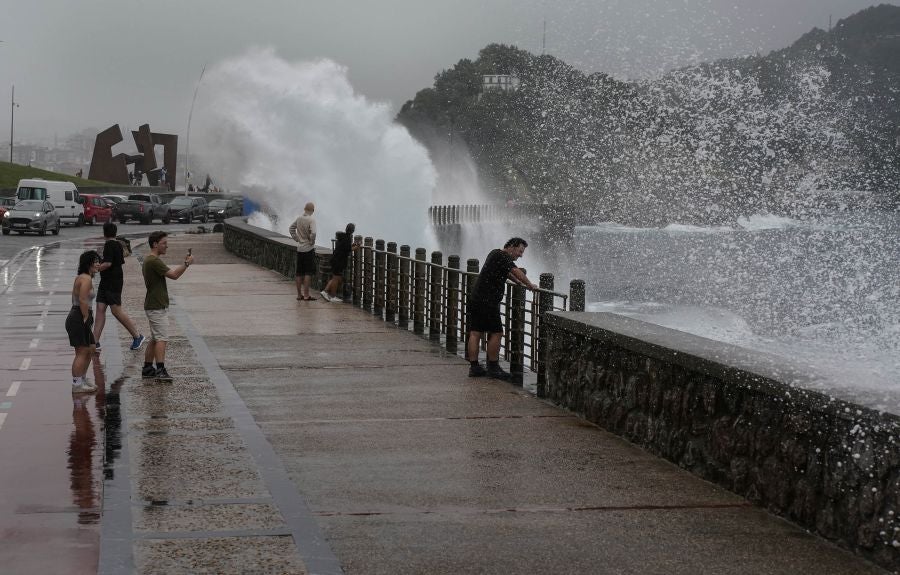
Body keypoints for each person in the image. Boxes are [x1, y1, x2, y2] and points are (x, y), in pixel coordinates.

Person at [466, 237, 536, 380]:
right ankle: (493, 367)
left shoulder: (495, 253)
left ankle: (474, 367)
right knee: (497, 333)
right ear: (512, 246)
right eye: (520, 251)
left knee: (475, 332)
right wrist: (530, 285)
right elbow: (516, 271)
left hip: (477, 298)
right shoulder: (503, 256)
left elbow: (507, 272)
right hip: (488, 301)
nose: (520, 255)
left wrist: (516, 282)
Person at [142, 231, 194, 381]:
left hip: (153, 304)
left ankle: (147, 368)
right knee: (162, 338)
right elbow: (174, 275)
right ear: (155, 244)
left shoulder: (149, 259)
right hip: (156, 305)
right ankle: (160, 370)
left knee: (155, 337)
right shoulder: (154, 261)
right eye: (164, 243)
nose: (167, 246)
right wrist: (187, 263)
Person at [93, 222, 145, 352]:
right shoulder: (117, 244)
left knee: (116, 311)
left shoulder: (110, 245)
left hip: (112, 282)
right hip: (108, 281)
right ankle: (94, 342)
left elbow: (109, 263)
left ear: (104, 233)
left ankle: (137, 336)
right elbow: (119, 261)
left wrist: (96, 269)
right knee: (100, 308)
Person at [66, 251, 102, 393]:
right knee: (82, 352)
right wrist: (86, 317)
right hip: (79, 317)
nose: (98, 264)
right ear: (88, 263)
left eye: (99, 261)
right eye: (96, 261)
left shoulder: (86, 277)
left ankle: (82, 379)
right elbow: (82, 299)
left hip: (81, 316)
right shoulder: (85, 279)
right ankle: (77, 385)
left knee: (91, 349)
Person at [321, 223, 360, 302]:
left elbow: (344, 246)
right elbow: (348, 249)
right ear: (352, 231)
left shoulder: (342, 237)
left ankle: (325, 291)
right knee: (336, 278)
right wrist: (357, 247)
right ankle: (332, 296)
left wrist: (352, 245)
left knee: (336, 278)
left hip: (335, 259)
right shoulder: (347, 238)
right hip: (339, 261)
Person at [289, 202, 318, 301]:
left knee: (299, 273)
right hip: (308, 249)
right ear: (312, 210)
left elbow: (291, 228)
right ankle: (306, 295)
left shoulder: (299, 218)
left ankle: (299, 295)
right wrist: (311, 241)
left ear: (304, 209)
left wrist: (296, 238)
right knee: (307, 273)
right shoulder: (311, 220)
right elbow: (313, 233)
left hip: (300, 249)